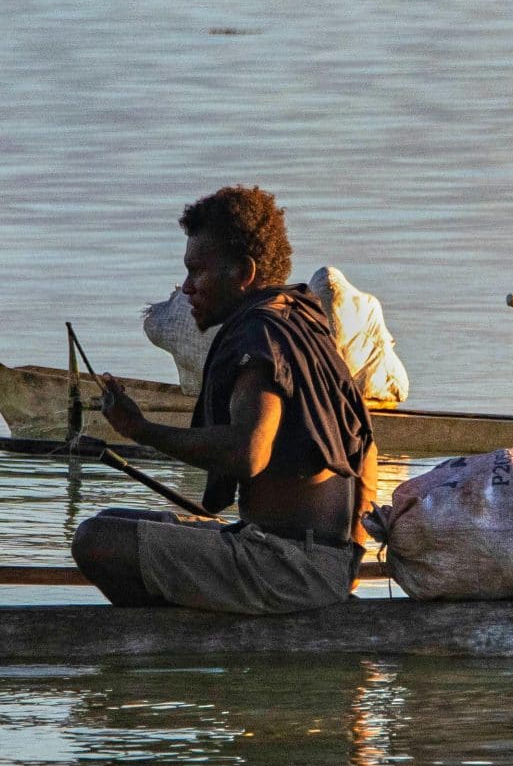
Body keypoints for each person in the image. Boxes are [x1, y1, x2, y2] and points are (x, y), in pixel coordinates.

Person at [73, 185, 376, 613]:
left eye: (197, 272)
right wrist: (351, 560)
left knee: (94, 541)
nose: (187, 289)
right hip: (319, 563)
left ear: (244, 273)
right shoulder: (302, 317)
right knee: (112, 522)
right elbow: (368, 447)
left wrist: (142, 431)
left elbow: (248, 454)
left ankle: (188, 637)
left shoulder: (260, 333)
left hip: (289, 569)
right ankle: (203, 620)